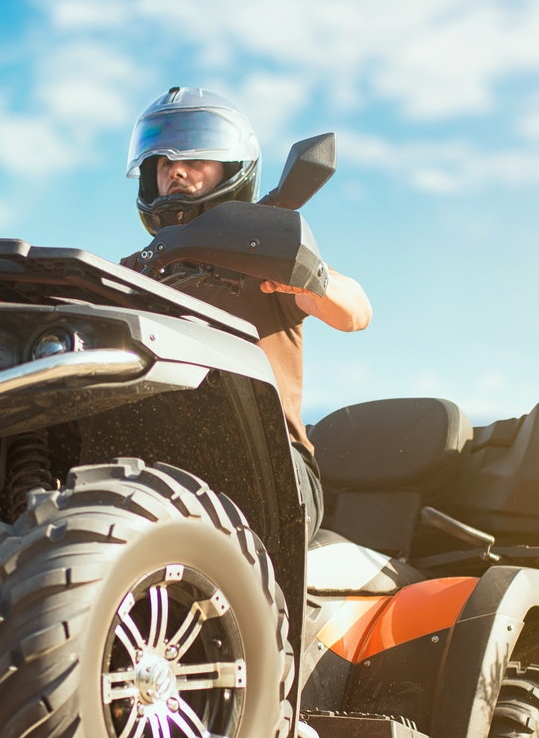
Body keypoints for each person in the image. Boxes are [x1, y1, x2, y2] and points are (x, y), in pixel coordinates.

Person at [120, 87, 372, 545]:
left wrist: (311, 279)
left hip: (272, 465)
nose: (174, 168)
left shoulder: (264, 250)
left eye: (194, 157)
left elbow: (355, 312)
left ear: (232, 168)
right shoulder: (134, 272)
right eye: (161, 162)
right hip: (152, 461)